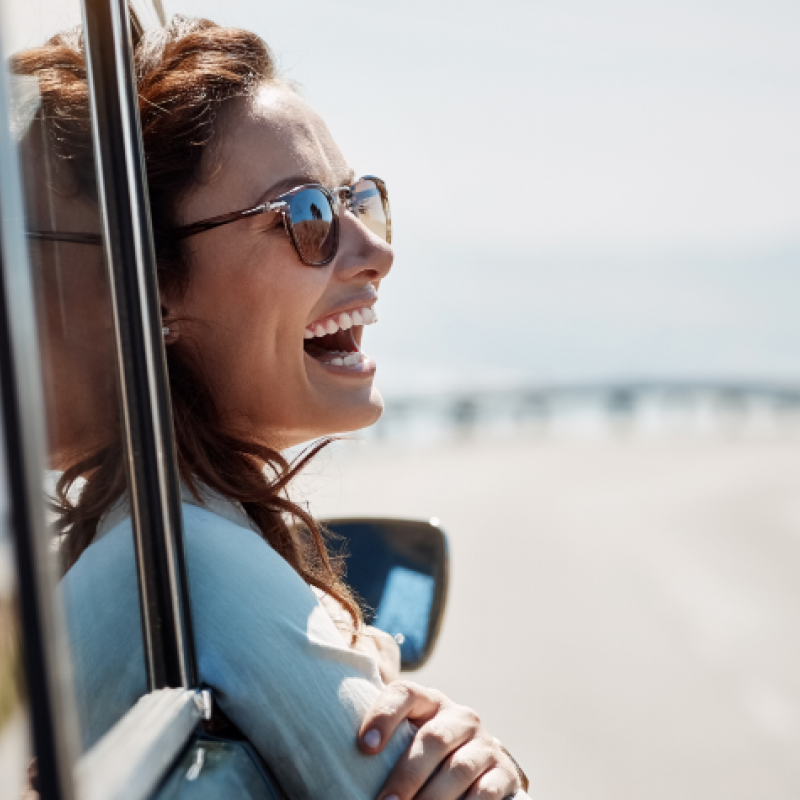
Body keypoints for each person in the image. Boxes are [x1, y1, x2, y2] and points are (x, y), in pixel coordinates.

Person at [14, 16, 529, 799]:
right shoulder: (188, 566)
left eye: (362, 201)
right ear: (151, 292)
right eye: (307, 218)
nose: (378, 253)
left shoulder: (151, 549)